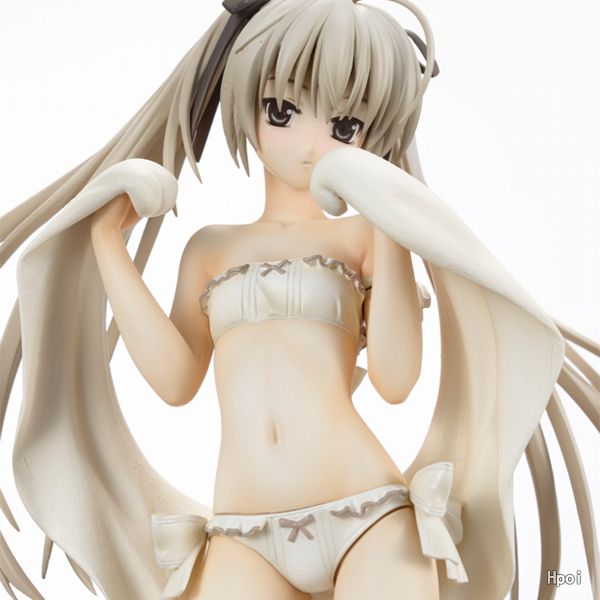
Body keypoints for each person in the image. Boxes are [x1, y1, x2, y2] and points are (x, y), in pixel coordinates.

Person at [0, 1, 597, 599]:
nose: (311, 144)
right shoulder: (210, 248)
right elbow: (175, 381)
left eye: (345, 126)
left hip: (369, 516)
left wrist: (389, 217)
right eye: (282, 110)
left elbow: (395, 380)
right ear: (248, 100)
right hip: (242, 533)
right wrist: (107, 242)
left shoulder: (364, 236)